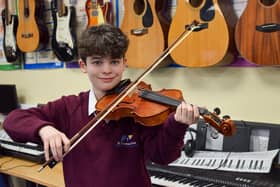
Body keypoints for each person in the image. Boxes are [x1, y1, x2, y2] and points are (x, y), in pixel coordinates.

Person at [3, 24, 200, 187]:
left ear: (124, 63)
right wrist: (45, 130)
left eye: (114, 62)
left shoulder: (140, 110)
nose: (107, 70)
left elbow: (162, 156)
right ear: (83, 65)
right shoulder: (69, 107)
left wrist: (177, 125)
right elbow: (13, 121)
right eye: (97, 62)